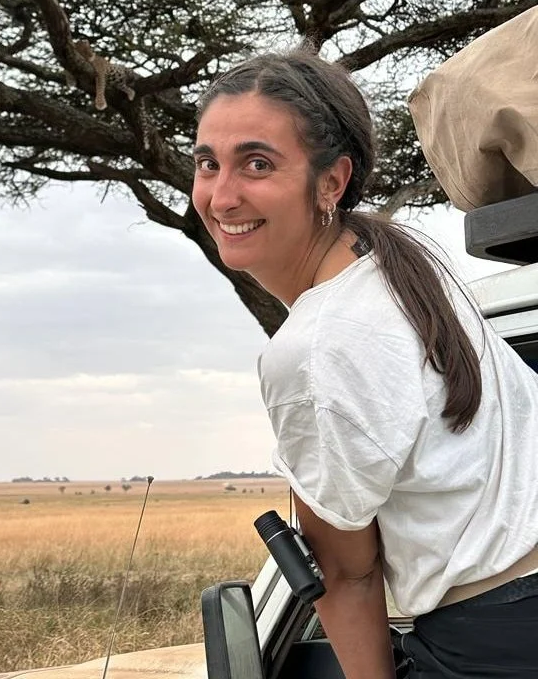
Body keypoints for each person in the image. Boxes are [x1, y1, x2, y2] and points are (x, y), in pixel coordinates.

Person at [191, 51, 538, 678]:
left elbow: (347, 574)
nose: (221, 195)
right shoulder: (406, 259)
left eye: (257, 163)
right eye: (207, 163)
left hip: (497, 639)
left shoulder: (313, 350)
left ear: (331, 181)